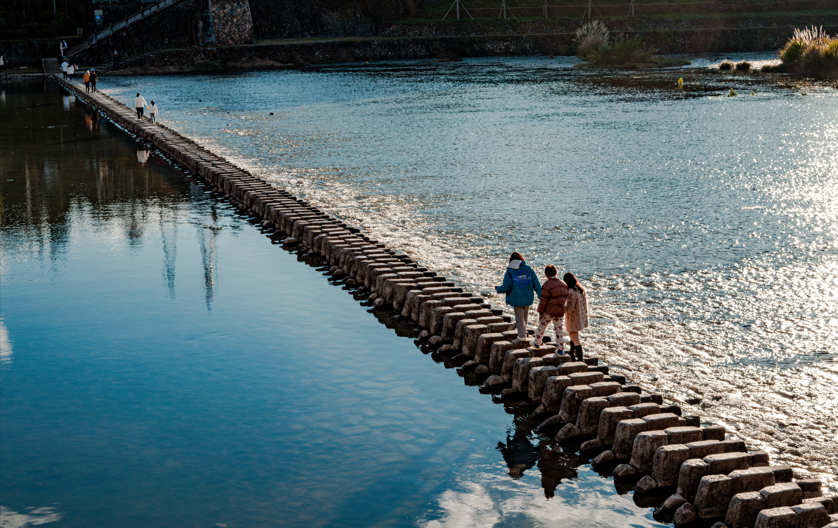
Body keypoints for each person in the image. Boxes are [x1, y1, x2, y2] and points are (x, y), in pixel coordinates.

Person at [496, 252, 542, 342]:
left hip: (516, 298)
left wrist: (498, 289)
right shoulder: (528, 268)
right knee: (525, 317)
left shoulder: (510, 270)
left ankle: (522, 336)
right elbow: (536, 283)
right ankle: (524, 333)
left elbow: (506, 286)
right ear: (521, 259)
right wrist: (540, 296)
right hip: (528, 298)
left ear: (511, 260)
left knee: (519, 317)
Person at [533, 265, 569, 353]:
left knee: (542, 326)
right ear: (556, 273)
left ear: (546, 274)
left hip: (548, 312)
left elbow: (543, 300)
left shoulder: (547, 284)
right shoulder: (564, 284)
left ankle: (537, 343)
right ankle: (560, 349)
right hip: (559, 312)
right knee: (559, 330)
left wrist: (540, 312)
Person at [563, 272, 589, 362]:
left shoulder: (571, 291)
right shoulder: (580, 288)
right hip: (580, 317)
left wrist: (561, 308)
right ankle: (571, 352)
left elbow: (570, 308)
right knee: (573, 336)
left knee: (575, 338)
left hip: (573, 318)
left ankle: (580, 359)